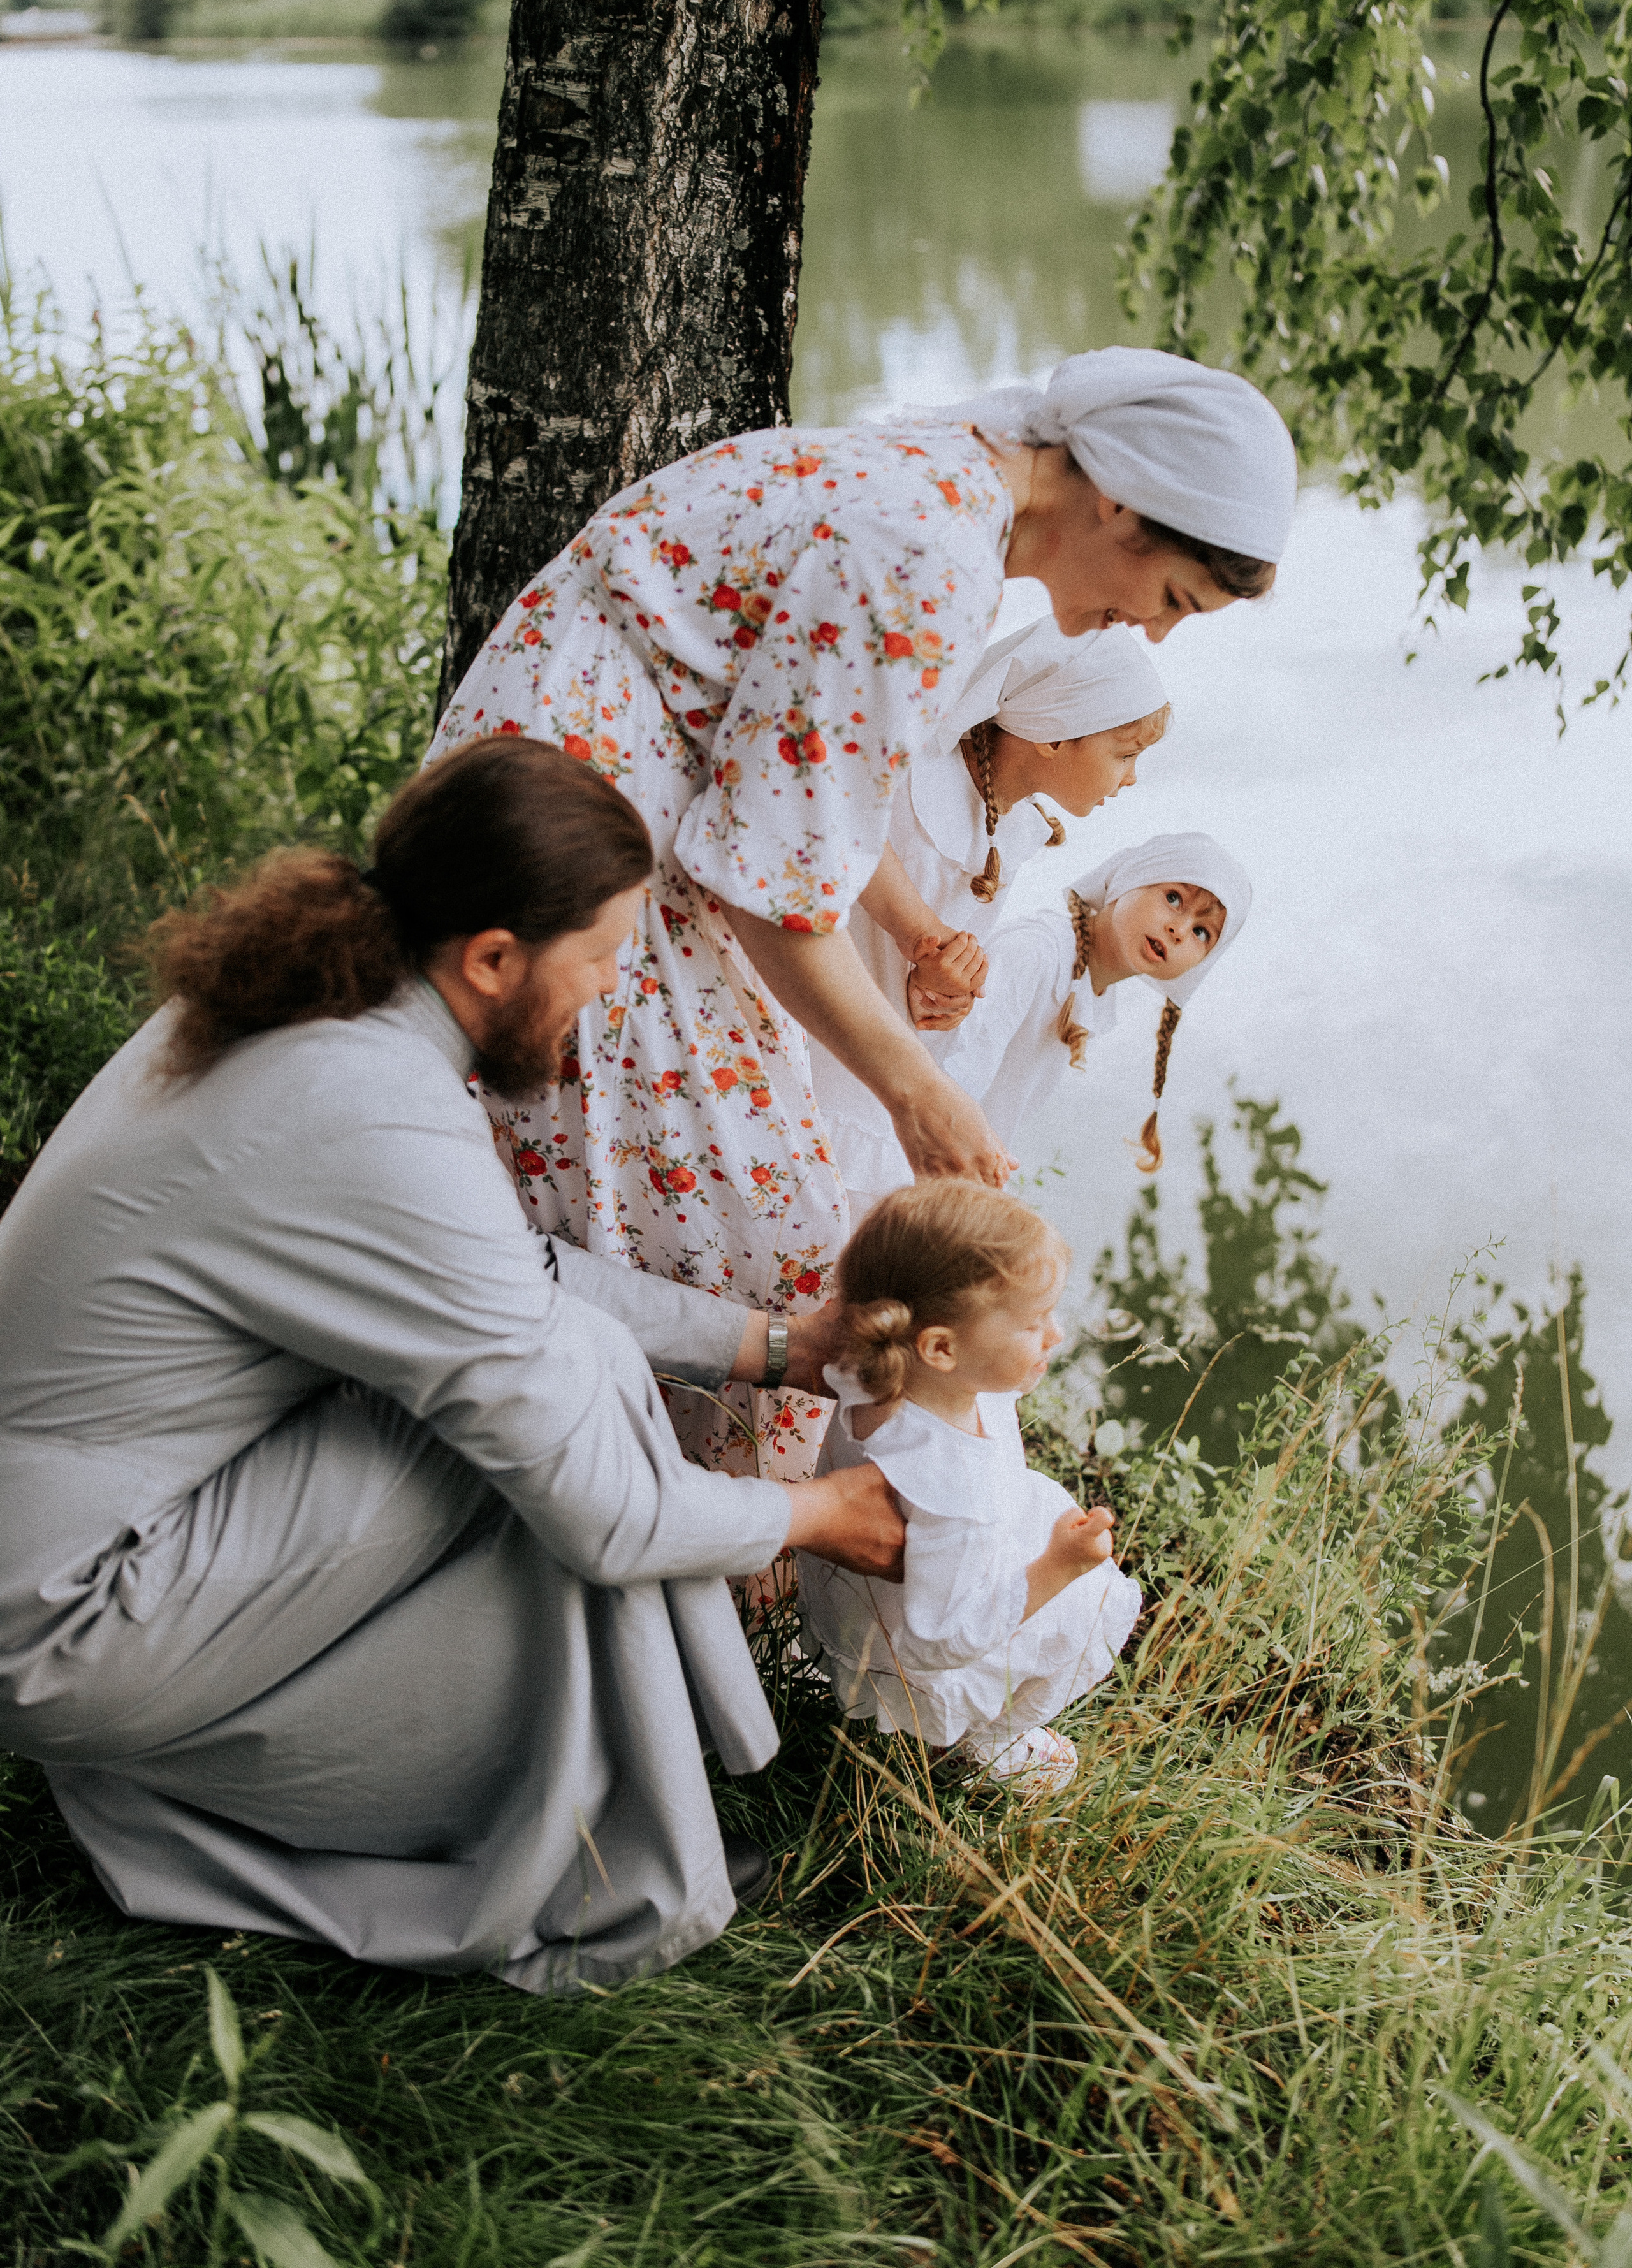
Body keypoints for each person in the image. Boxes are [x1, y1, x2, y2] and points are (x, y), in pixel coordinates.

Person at [0, 739, 907, 1996]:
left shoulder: (322, 1019)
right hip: (69, 1615)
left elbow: (506, 1271)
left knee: (542, 1375)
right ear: (492, 958)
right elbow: (603, 1508)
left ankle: (619, 1806)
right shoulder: (374, 1110)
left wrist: (771, 1350)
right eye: (596, 963)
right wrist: (818, 1514)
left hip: (64, 1539)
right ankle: (599, 1857)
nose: (605, 998)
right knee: (563, 1416)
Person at [430, 347, 1296, 1480]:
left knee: (729, 1209)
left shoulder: (945, 484)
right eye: (1173, 598)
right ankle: (630, 1505)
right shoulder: (927, 555)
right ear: (1117, 500)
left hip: (573, 791)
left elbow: (808, 798)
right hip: (578, 837)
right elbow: (770, 892)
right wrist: (918, 1092)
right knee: (772, 1247)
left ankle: (622, 1485)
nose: (1154, 632)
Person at [808, 620, 1170, 1221]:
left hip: (877, 1049)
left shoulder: (1010, 825)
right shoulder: (915, 779)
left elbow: (927, 961)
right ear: (1054, 736)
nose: (1130, 777)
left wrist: (943, 992)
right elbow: (841, 836)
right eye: (1125, 755)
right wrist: (927, 945)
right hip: (816, 1041)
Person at [798, 1181, 1141, 1797]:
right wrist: (1059, 1568)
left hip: (855, 1608)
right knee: (1093, 1606)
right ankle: (981, 1741)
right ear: (941, 1348)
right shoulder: (948, 1493)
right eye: (1035, 1323)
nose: (1057, 1336)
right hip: (914, 1649)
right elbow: (943, 1640)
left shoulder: (877, 1372)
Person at [923, 835, 1254, 1171]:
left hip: (957, 1171)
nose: (1179, 930)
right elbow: (948, 1076)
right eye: (1173, 898)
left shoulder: (1094, 998)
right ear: (1131, 879)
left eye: (1202, 933)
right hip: (922, 1152)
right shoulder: (1038, 951)